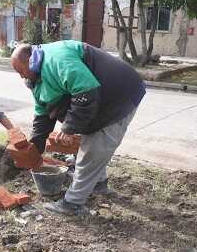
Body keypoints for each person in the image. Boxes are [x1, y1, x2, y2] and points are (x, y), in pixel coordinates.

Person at [11, 40, 146, 215]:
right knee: (93, 143)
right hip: (99, 98)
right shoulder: (36, 79)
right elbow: (42, 115)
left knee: (93, 150)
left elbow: (86, 92)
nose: (22, 76)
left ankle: (73, 204)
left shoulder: (56, 59)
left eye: (21, 70)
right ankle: (98, 184)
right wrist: (34, 148)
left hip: (118, 96)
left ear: (30, 60)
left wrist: (68, 128)